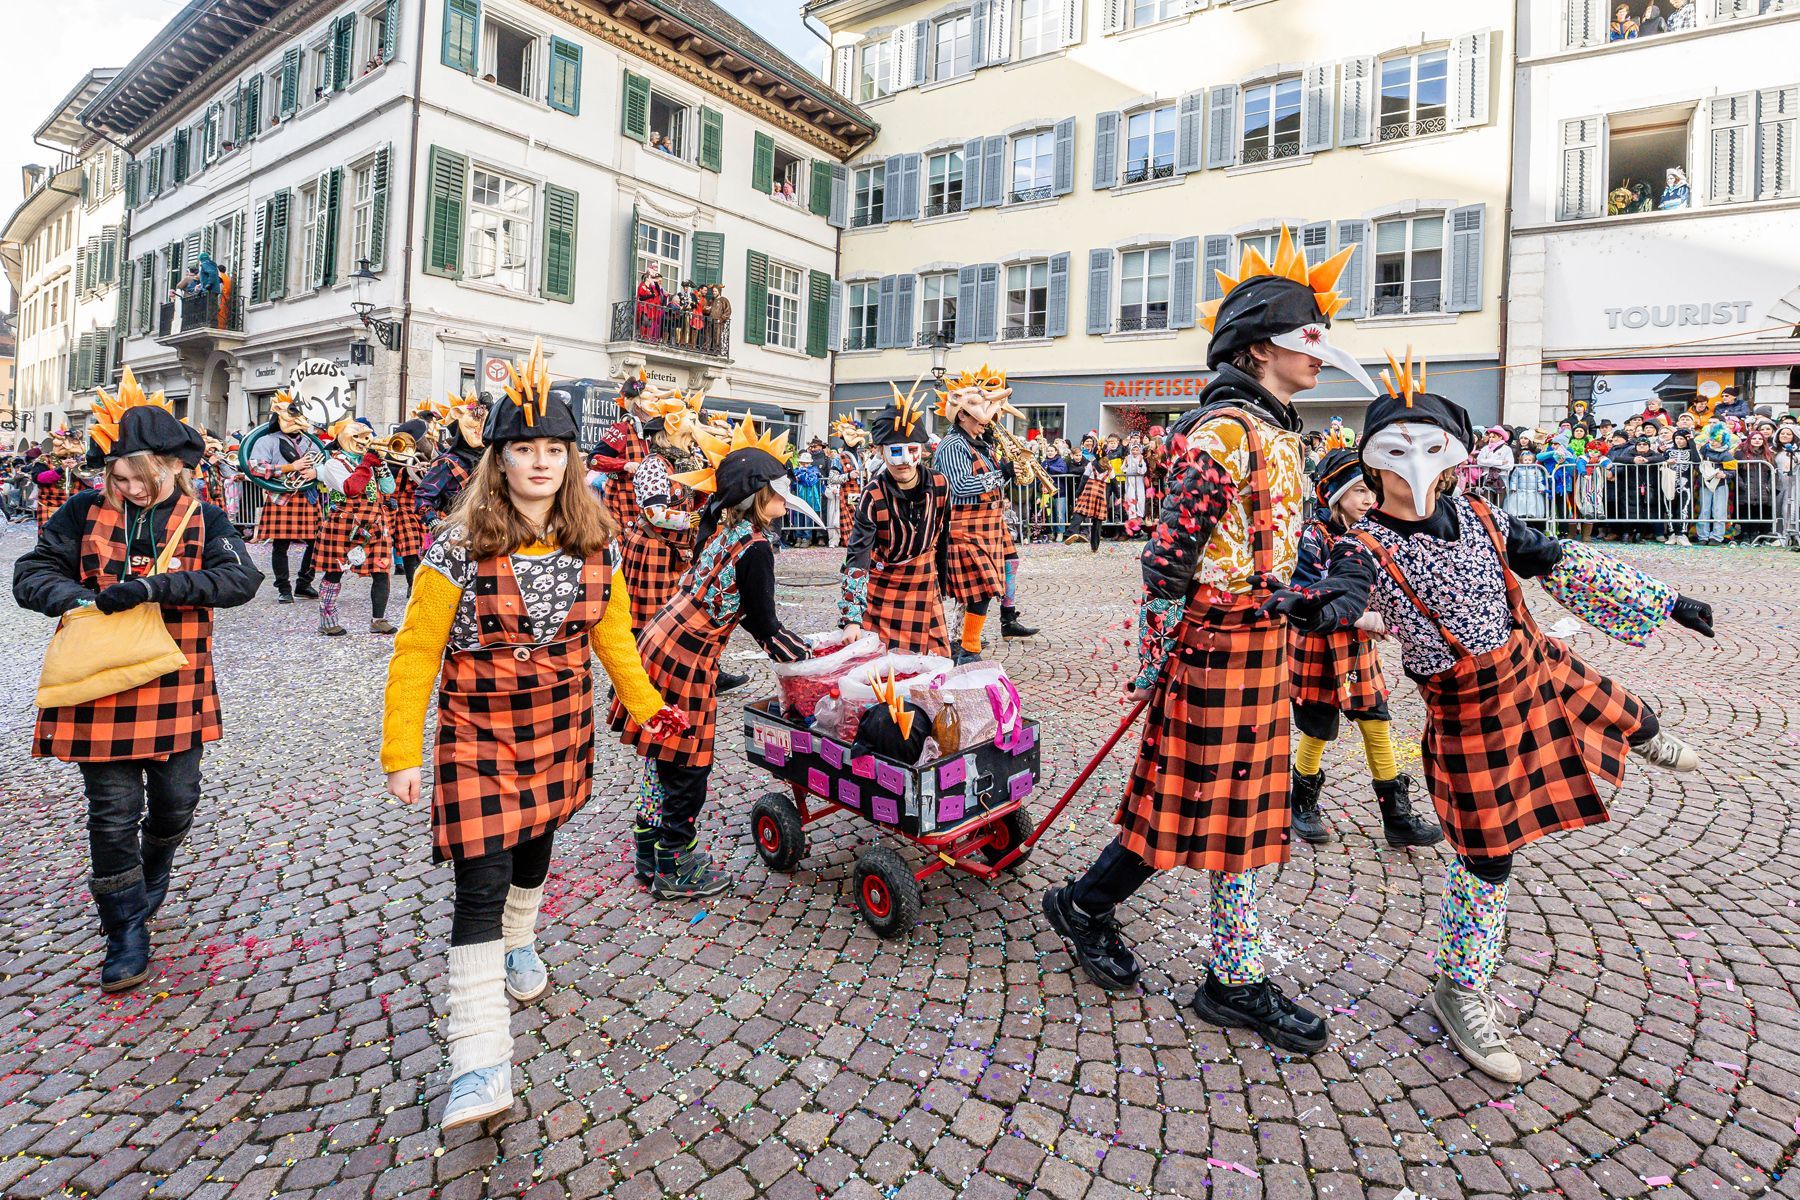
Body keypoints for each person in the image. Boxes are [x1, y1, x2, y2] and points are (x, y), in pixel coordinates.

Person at [1269, 353, 1711, 1081]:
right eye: (1395, 449)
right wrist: (1315, 607)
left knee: (1600, 696)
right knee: (1488, 856)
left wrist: (1667, 601)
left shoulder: (1484, 514)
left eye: (1430, 445)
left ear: (1454, 453)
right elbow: (1345, 593)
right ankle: (1461, 989)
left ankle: (1647, 734)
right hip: (1466, 712)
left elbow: (1560, 562)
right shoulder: (1362, 543)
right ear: (1371, 462)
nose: (1414, 463)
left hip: (1532, 667)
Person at [1043, 226, 1377, 1052]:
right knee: (1198, 807)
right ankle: (1166, 945)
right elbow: (1165, 561)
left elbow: (1280, 541)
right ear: (1261, 347)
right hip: (1220, 644)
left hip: (1259, 642)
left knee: (1238, 813)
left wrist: (1320, 584)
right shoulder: (1225, 431)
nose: (1321, 352)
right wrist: (1194, 636)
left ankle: (1185, 952)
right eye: (1308, 337)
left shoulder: (1280, 431)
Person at [381, 341, 688, 1130]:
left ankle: (523, 940)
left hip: (557, 723)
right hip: (477, 732)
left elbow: (613, 636)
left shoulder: (597, 539)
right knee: (477, 885)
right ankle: (479, 1062)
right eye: (525, 449)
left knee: (536, 846)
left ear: (570, 459)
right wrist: (401, 750)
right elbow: (415, 650)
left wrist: (648, 706)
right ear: (500, 459)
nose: (541, 462)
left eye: (555, 448)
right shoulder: (455, 545)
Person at [14, 371, 263, 991]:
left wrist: (154, 588)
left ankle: (154, 869)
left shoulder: (207, 517)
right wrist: (77, 598)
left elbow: (240, 581)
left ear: (173, 467)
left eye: (139, 478)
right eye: (119, 478)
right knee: (112, 813)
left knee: (177, 800)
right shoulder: (82, 510)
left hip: (175, 679)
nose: (128, 489)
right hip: (97, 681)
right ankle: (124, 927)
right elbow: (30, 572)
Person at [618, 415, 818, 897]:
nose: (784, 499)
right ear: (759, 497)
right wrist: (808, 662)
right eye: (778, 491)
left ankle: (648, 852)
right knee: (688, 764)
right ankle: (674, 865)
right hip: (686, 656)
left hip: (660, 639)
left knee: (661, 754)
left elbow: (743, 610)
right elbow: (764, 623)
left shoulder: (723, 529)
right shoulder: (756, 547)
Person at [1287, 449, 1441, 849]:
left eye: (1371, 490)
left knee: (1376, 720)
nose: (1368, 498)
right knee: (1317, 726)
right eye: (1358, 491)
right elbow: (1304, 591)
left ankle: (1396, 816)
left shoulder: (1370, 534)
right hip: (1318, 645)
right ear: (1336, 496)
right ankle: (1302, 803)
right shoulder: (1313, 535)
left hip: (1356, 649)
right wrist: (1361, 617)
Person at [932, 368, 1041, 660]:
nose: (986, 423)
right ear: (962, 415)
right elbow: (960, 486)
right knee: (980, 589)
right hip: (965, 525)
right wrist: (1001, 473)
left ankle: (975, 641)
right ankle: (968, 649)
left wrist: (1012, 472)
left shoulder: (979, 444)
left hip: (988, 524)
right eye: (980, 418)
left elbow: (989, 480)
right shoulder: (953, 445)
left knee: (986, 587)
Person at [840, 383, 952, 656]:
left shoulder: (940, 484)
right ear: (880, 451)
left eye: (912, 450)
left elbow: (944, 537)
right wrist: (852, 618)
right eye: (895, 451)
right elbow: (858, 555)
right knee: (881, 667)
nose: (904, 460)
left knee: (935, 663)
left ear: (922, 450)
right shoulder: (872, 494)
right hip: (884, 588)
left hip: (924, 584)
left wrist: (945, 582)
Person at [313, 417, 396, 636]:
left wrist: (382, 466)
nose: (364, 441)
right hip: (344, 522)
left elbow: (389, 488)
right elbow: (351, 488)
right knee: (334, 571)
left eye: (367, 437)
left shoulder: (369, 462)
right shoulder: (333, 464)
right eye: (357, 436)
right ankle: (327, 621)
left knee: (381, 570)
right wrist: (366, 464)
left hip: (374, 521)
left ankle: (378, 620)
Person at [247, 393, 323, 603]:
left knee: (316, 542)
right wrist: (290, 467)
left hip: (307, 496)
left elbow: (324, 464)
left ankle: (304, 583)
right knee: (280, 545)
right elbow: (255, 467)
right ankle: (283, 588)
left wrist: (316, 472)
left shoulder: (311, 442)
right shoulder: (267, 440)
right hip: (281, 497)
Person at [415, 394, 488, 535]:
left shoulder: (490, 459)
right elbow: (423, 496)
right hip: (457, 531)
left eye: (482, 426)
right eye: (472, 426)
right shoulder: (447, 462)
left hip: (489, 531)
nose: (478, 431)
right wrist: (434, 523)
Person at [828, 417, 873, 548]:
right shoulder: (838, 458)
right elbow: (832, 478)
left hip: (859, 491)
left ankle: (858, 540)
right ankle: (849, 541)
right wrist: (848, 475)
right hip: (846, 493)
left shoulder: (859, 456)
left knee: (859, 518)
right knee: (848, 518)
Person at [1072, 450, 1110, 552]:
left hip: (1090, 489)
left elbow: (1084, 479)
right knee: (1098, 519)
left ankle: (1071, 532)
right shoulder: (1109, 466)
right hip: (1101, 492)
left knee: (1080, 511)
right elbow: (1114, 481)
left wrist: (1078, 493)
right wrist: (1119, 495)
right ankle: (1095, 546)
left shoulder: (1091, 464)